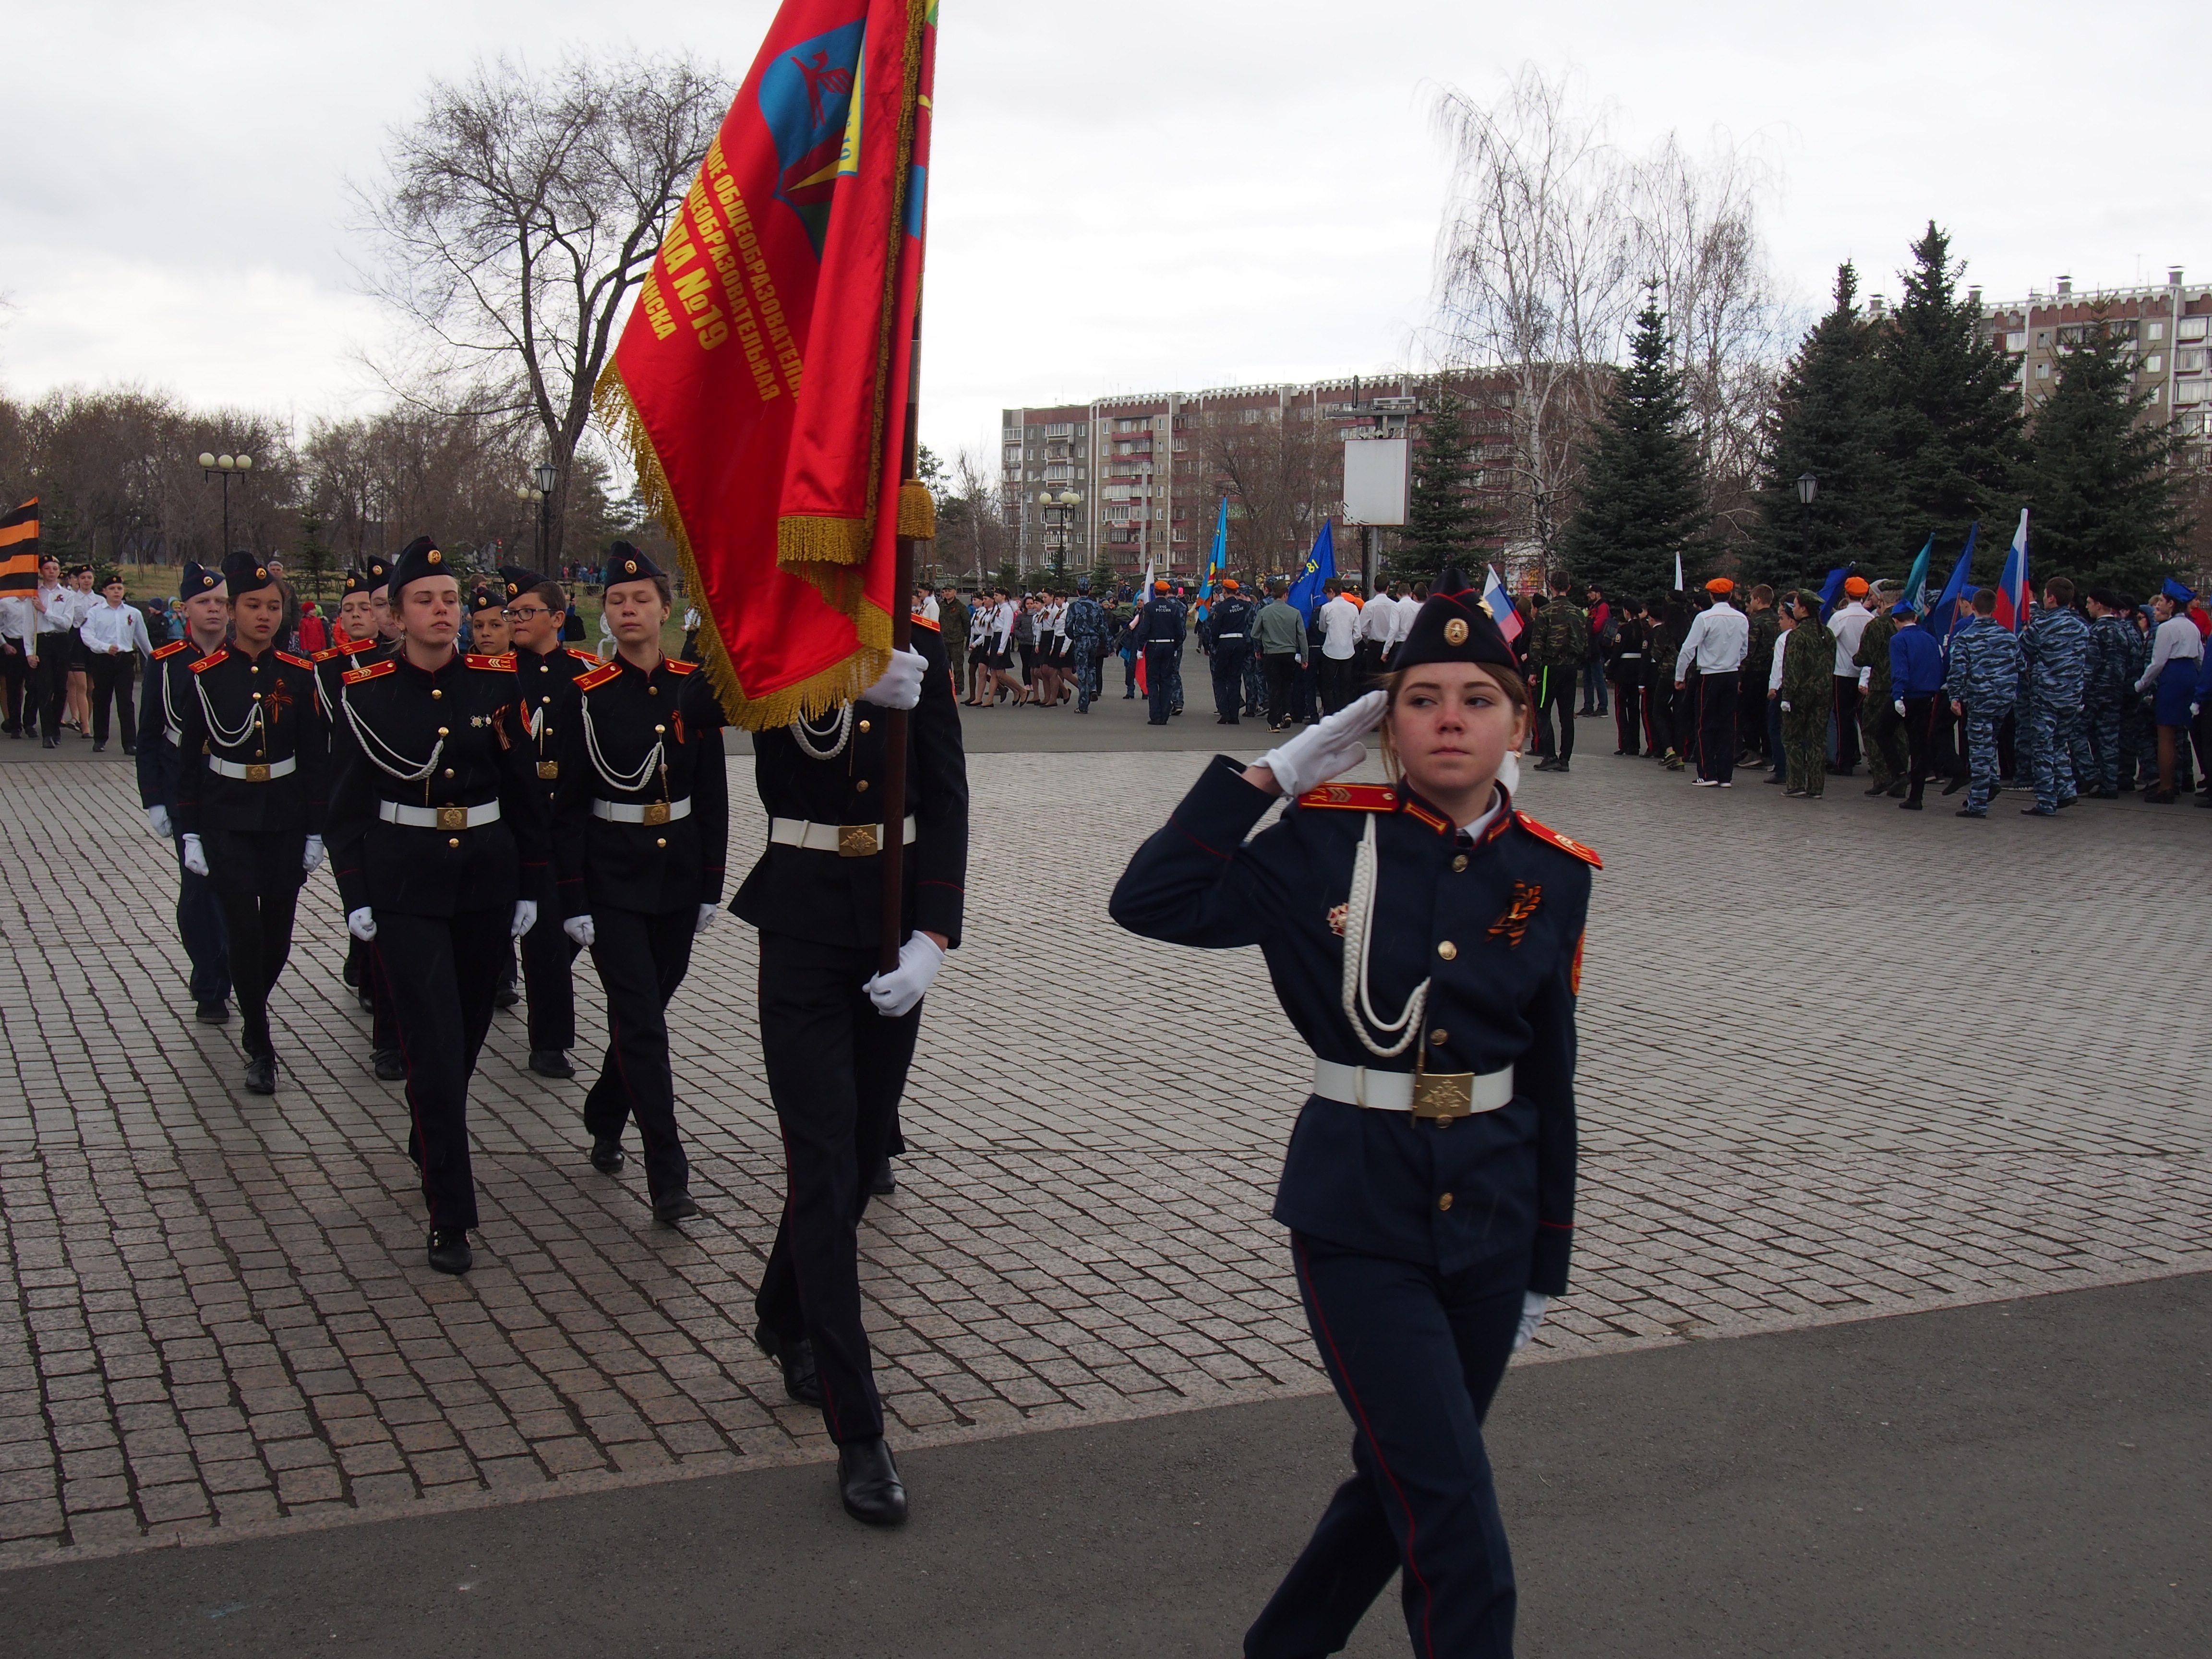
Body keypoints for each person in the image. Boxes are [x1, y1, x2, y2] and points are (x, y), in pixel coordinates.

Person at [1111, 566, 1592, 1659]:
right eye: (1422, 697)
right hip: (1359, 1209)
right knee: (1455, 1509)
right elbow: (1150, 901)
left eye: (1477, 696)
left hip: (1494, 1216)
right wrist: (1269, 776)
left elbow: (1553, 1074)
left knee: (1404, 1477)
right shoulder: (1318, 843)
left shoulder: (1549, 875)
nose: (1450, 719)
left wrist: (1544, 1262)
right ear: (1383, 721)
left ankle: (1282, 1644)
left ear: (1516, 717)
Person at [734, 600, 968, 1530]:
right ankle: (859, 1428)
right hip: (800, 922)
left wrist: (935, 936)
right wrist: (836, 675)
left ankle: (782, 1311)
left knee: (859, 1162)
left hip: (889, 921)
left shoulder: (920, 637)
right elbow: (713, 692)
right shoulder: (770, 629)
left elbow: (945, 789)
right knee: (824, 1163)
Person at [326, 536, 552, 1274]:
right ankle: (449, 1213)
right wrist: (356, 896)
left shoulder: (496, 685)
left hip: (484, 878)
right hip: (405, 884)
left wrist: (529, 885)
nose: (442, 611)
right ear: (396, 613)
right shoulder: (364, 691)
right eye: (425, 599)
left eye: (450, 599)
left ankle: (433, 1129)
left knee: (470, 1028)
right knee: (431, 1039)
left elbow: (526, 795)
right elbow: (346, 809)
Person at [553, 544, 726, 1224]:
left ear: (665, 609)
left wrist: (711, 881)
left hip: (678, 876)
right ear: (607, 612)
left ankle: (604, 1108)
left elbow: (712, 794)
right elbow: (564, 807)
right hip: (613, 879)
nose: (629, 611)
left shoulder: (693, 687)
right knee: (646, 1028)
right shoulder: (586, 697)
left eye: (641, 601)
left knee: (644, 1015)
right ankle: (668, 1175)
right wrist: (571, 896)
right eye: (618, 602)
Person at [171, 553, 329, 1094]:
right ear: (234, 610)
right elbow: (189, 758)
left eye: (273, 606)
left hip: (283, 813)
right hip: (227, 815)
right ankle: (261, 1046)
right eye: (253, 606)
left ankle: (251, 998)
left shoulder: (300, 675)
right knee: (241, 928)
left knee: (278, 936)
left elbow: (315, 759)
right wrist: (188, 830)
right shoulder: (206, 677)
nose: (265, 616)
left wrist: (315, 828)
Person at [503, 566, 604, 1079]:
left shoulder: (586, 674)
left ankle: (542, 994)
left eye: (527, 612)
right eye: (512, 614)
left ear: (557, 618)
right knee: (541, 928)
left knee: (563, 930)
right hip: (517, 815)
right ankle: (549, 1042)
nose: (516, 620)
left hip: (571, 813)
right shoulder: (494, 672)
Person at [137, 562, 234, 1022]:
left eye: (220, 603)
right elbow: (150, 735)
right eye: (204, 602)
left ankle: (231, 968)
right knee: (198, 890)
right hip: (184, 790)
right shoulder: (167, 661)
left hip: (234, 790)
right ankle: (210, 982)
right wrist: (154, 798)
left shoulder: (245, 658)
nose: (213, 610)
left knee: (233, 888)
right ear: (186, 609)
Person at [1945, 587, 2027, 818]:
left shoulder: (1965, 637)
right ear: (1995, 608)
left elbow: (1957, 670)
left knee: (1979, 750)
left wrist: (1955, 697)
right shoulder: (2009, 636)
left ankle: (1978, 802)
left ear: (1973, 607)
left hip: (1980, 699)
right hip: (2004, 700)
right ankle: (1990, 781)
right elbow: (2022, 666)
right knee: (1989, 743)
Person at [2019, 576, 2089, 817]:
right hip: (2072, 695)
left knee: (2042, 747)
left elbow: (2022, 650)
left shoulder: (2042, 627)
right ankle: (2067, 789)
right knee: (2060, 744)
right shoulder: (2082, 627)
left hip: (2046, 696)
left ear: (2051, 598)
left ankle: (2047, 799)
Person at [2133, 580, 2204, 805]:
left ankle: (2166, 787)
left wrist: (2141, 684)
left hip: (2172, 677)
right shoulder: (2192, 626)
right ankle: (2186, 780)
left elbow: (2157, 663)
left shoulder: (2166, 628)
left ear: (2172, 605)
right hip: (2190, 675)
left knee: (2166, 735)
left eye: (2162, 602)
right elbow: (2201, 657)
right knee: (2188, 734)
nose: (2159, 605)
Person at [1673, 577, 1749, 785]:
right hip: (1732, 674)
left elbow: (1689, 648)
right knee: (1728, 725)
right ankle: (1726, 776)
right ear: (1731, 595)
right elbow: (1744, 650)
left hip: (1710, 675)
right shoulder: (1741, 619)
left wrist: (1680, 676)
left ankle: (1707, 774)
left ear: (1712, 596)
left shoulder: (1705, 618)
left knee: (1705, 724)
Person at [78, 572, 152, 754]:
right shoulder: (95, 612)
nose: (116, 592)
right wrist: (104, 647)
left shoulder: (132, 613)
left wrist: (153, 658)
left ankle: (130, 742)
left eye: (119, 588)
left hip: (125, 659)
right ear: (104, 592)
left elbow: (142, 639)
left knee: (126, 702)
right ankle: (100, 739)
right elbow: (87, 635)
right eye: (112, 589)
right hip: (103, 659)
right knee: (102, 699)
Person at [1887, 602, 1948, 811]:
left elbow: (1900, 670)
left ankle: (1900, 773)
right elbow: (1939, 666)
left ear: (1896, 620)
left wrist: (1898, 696)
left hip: (1907, 696)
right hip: (1927, 696)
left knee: (1881, 731)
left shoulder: (1898, 640)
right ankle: (1916, 796)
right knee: (1919, 746)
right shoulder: (1931, 639)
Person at [1525, 573, 1586, 773]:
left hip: (1550, 667)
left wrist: (1534, 670)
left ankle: (1549, 755)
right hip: (1571, 668)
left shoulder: (1545, 612)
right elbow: (1584, 642)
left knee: (1543, 710)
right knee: (1566, 715)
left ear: (1551, 587)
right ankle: (1565, 759)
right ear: (1569, 587)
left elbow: (1537, 644)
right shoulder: (1578, 613)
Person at [1779, 591, 1836, 798]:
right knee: (1817, 741)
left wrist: (1787, 697)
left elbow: (1792, 669)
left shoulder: (1797, 636)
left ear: (1803, 609)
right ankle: (1816, 787)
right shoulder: (1827, 633)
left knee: (1792, 739)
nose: (1793, 609)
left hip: (1800, 695)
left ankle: (1796, 784)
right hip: (1823, 694)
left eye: (1795, 605)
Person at [2082, 588, 2134, 799]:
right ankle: (2110, 783)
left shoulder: (2097, 631)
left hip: (2096, 692)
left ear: (2099, 605)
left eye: (2089, 603)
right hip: (2116, 691)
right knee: (2110, 738)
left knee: (2079, 731)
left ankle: (2091, 773)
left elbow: (2090, 665)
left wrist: (2082, 690)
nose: (2087, 607)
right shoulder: (2123, 630)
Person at [1854, 589, 1906, 797]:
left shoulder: (1877, 625)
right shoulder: (1910, 623)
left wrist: (1856, 659)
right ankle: (1900, 777)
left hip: (1879, 686)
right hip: (1902, 687)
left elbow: (1864, 657)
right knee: (1900, 734)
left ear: (1883, 601)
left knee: (1871, 730)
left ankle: (1882, 777)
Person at [29, 555, 77, 747]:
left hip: (60, 641)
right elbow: (28, 625)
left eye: (55, 568)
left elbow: (66, 623)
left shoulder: (67, 595)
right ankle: (47, 733)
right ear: (42, 571)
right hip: (42, 641)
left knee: (60, 688)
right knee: (44, 687)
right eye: (47, 568)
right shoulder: (35, 594)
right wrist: (28, 651)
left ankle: (56, 726)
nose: (51, 571)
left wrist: (45, 610)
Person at [1827, 576, 1874, 774]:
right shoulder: (1871, 618)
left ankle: (1844, 762)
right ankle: (1872, 759)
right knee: (1864, 718)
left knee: (1843, 719)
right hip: (1865, 674)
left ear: (1847, 594)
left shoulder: (1840, 618)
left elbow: (1828, 642)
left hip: (1843, 673)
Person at [1204, 579, 1255, 725]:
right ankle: (1234, 715)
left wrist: (1213, 644)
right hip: (1240, 642)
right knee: (1235, 678)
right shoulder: (1246, 606)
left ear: (1224, 592)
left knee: (1220, 678)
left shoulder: (1220, 608)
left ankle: (1224, 711)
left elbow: (1214, 629)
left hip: (1224, 643)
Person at [1738, 585, 1778, 766]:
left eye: (1752, 599)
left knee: (1748, 713)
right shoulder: (1779, 619)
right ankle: (1769, 752)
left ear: (1758, 599)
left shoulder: (1755, 621)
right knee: (1767, 714)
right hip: (1772, 674)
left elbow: (1749, 650)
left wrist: (1740, 675)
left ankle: (1753, 751)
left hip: (1754, 673)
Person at [1136, 578, 1185, 725]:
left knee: (1152, 681)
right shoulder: (1174, 608)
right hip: (1169, 647)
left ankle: (1155, 715)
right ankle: (1164, 715)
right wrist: (1176, 647)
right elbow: (1179, 632)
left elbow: (1144, 629)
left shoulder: (1149, 608)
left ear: (1155, 592)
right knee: (1166, 681)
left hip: (1154, 646)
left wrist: (1140, 648)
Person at [1314, 580, 1362, 716]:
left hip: (1330, 651)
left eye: (1327, 594)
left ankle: (1330, 713)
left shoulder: (1326, 608)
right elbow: (1358, 635)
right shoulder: (1353, 608)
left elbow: (1322, 628)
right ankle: (1345, 715)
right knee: (1346, 686)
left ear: (1331, 591)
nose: (1326, 597)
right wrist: (1348, 643)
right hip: (1348, 652)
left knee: (1328, 686)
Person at [1063, 577, 1109, 714]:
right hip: (1094, 640)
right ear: (1089, 591)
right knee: (1092, 666)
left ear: (1078, 592)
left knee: (1082, 669)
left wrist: (1073, 637)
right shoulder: (1097, 606)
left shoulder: (1073, 607)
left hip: (1081, 640)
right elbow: (1103, 627)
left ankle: (1083, 704)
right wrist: (1108, 644)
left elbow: (1068, 627)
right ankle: (1093, 688)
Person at [1580, 585, 1612, 716]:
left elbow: (1597, 627)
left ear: (1598, 594)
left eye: (1591, 592)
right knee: (1587, 678)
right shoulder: (1594, 607)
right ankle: (1588, 706)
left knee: (1598, 678)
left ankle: (1602, 707)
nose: (1588, 595)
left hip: (1596, 648)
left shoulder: (1602, 607)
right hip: (1590, 647)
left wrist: (1585, 624)